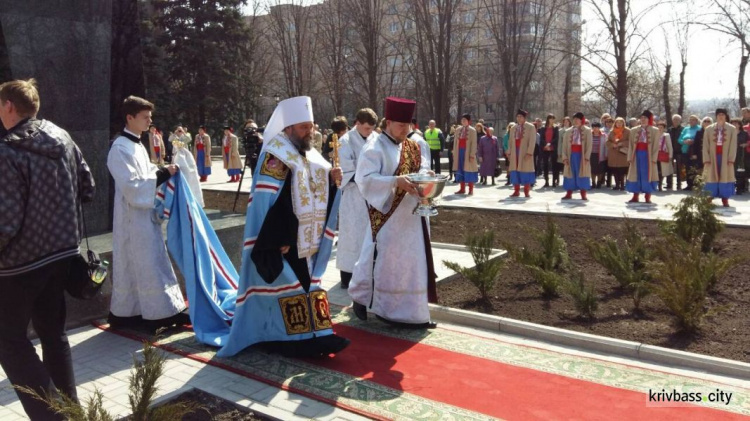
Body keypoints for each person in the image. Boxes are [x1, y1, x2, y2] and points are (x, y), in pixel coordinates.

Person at [219, 96, 349, 358]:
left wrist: (332, 180)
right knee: (293, 285)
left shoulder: (309, 153)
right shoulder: (275, 155)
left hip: (306, 236)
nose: (309, 132)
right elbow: (271, 201)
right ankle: (295, 341)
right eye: (303, 127)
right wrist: (280, 236)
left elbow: (316, 187)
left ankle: (318, 334)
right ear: (288, 127)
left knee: (308, 281)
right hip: (283, 236)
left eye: (311, 126)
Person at [0, 79, 95, 420]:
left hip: (18, 266)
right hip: (61, 257)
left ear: (9, 106)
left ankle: (53, 416)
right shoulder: (63, 137)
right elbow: (88, 187)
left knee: (9, 340)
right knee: (53, 335)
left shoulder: (7, 150)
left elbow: (5, 224)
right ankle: (71, 411)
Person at [349, 96, 437, 329]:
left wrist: (426, 178)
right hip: (387, 216)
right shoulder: (374, 146)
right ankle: (377, 304)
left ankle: (415, 313)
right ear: (388, 123)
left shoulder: (412, 145)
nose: (405, 130)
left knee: (412, 265)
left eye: (408, 126)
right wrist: (395, 181)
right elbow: (364, 180)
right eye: (401, 126)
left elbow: (423, 168)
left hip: (412, 218)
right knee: (384, 262)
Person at [107, 96, 190, 332]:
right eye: (145, 117)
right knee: (145, 262)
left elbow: (146, 174)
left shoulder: (136, 144)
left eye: (150, 116)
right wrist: (163, 173)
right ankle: (154, 314)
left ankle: (147, 311)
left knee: (149, 260)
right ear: (129, 118)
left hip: (144, 216)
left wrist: (164, 172)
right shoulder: (119, 148)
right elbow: (133, 186)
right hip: (132, 218)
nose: (149, 121)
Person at [337, 108, 379, 290]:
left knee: (370, 235)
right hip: (353, 195)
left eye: (371, 128)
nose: (369, 132)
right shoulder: (345, 141)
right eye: (366, 128)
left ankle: (369, 273)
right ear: (358, 124)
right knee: (352, 236)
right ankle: (347, 275)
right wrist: (368, 176)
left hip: (372, 196)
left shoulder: (375, 139)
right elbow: (345, 170)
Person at [703, 108, 737, 207]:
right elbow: (705, 145)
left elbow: (733, 144)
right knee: (711, 176)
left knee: (725, 176)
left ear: (726, 116)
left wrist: (731, 158)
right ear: (716, 116)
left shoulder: (732, 129)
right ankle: (709, 197)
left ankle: (725, 199)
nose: (721, 116)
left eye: (723, 114)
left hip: (725, 157)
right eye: (719, 114)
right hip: (712, 157)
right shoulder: (709, 129)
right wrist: (706, 158)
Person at [626, 110, 660, 203]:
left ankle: (647, 196)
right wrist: (630, 157)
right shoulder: (634, 130)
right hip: (636, 154)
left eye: (645, 118)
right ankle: (635, 195)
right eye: (641, 118)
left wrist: (654, 158)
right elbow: (631, 145)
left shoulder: (655, 130)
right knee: (635, 174)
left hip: (648, 155)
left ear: (649, 119)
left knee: (647, 175)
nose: (643, 119)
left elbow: (656, 146)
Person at [561, 112, 592, 200]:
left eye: (577, 119)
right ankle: (569, 192)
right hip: (571, 155)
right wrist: (565, 157)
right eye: (574, 119)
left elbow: (589, 145)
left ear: (581, 120)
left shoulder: (587, 130)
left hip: (581, 156)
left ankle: (583, 193)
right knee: (570, 173)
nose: (575, 121)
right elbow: (564, 146)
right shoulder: (568, 131)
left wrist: (586, 157)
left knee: (582, 173)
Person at [508, 109, 537, 197]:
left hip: (524, 152)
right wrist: (509, 152)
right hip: (515, 152)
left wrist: (529, 152)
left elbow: (532, 141)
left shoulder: (530, 127)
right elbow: (510, 141)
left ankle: (526, 191)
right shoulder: (513, 128)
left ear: (524, 118)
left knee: (525, 170)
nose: (519, 118)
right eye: (518, 117)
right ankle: (516, 190)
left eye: (521, 117)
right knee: (515, 171)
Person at [452, 113, 479, 195]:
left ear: (468, 121)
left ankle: (471, 189)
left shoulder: (472, 130)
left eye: (465, 120)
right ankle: (462, 188)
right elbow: (455, 142)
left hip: (467, 153)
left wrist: (472, 154)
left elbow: (474, 143)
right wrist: (454, 152)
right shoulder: (458, 129)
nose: (463, 121)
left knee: (469, 169)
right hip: (459, 152)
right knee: (460, 168)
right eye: (462, 120)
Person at [606, 117, 630, 191]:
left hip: (622, 153)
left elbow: (630, 141)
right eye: (617, 122)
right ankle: (617, 185)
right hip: (613, 153)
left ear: (623, 123)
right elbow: (607, 142)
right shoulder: (612, 131)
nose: (619, 124)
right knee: (615, 170)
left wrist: (621, 143)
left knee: (622, 170)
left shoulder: (627, 131)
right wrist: (612, 144)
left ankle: (623, 185)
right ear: (615, 123)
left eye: (621, 122)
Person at [678, 115, 702, 190]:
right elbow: (679, 140)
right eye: (690, 120)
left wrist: (693, 141)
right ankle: (689, 184)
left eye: (693, 120)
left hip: (694, 151)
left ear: (697, 121)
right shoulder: (686, 129)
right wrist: (685, 141)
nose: (691, 121)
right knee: (687, 168)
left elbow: (700, 139)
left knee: (695, 168)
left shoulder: (699, 128)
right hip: (685, 150)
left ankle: (696, 185)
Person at [538, 114, 559, 188]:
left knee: (554, 166)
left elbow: (556, 138)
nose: (552, 120)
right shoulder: (543, 128)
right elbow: (541, 138)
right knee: (545, 165)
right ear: (548, 119)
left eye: (553, 119)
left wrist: (550, 144)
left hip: (552, 148)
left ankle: (554, 181)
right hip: (545, 148)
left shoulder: (556, 128)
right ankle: (546, 181)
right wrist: (546, 145)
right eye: (551, 119)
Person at [656, 121, 674, 192]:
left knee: (662, 171)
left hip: (664, 154)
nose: (660, 129)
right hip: (656, 155)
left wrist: (670, 155)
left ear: (664, 128)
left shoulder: (666, 135)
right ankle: (657, 184)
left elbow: (670, 146)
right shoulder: (655, 135)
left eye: (661, 127)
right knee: (656, 170)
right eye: (659, 127)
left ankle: (660, 184)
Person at [668, 114, 684, 190]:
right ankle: (669, 184)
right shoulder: (669, 130)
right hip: (670, 151)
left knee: (679, 169)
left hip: (679, 151)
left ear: (680, 121)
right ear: (672, 120)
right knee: (669, 168)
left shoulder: (683, 129)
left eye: (677, 120)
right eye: (674, 119)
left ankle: (679, 184)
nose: (676, 121)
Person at [733, 117, 749, 194]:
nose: (734, 125)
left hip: (741, 155)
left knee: (741, 171)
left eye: (736, 123)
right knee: (732, 171)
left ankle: (740, 188)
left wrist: (746, 144)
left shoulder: (744, 133)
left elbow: (749, 141)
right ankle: (733, 187)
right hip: (731, 154)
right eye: (733, 123)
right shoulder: (729, 133)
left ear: (739, 125)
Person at [556, 116, 572, 187]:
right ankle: (559, 180)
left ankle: (569, 180)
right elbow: (559, 142)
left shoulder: (572, 130)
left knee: (569, 166)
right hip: (563, 149)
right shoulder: (560, 131)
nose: (566, 123)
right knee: (562, 166)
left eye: (567, 121)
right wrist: (559, 152)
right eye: (564, 122)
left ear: (569, 122)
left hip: (571, 150)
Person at [590, 122, 606, 188]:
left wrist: (606, 154)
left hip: (601, 154)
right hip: (592, 154)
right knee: (592, 169)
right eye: (594, 127)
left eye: (597, 127)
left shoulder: (603, 135)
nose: (595, 129)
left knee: (600, 170)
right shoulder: (589, 135)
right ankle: (593, 182)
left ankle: (599, 182)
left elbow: (606, 146)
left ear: (599, 128)